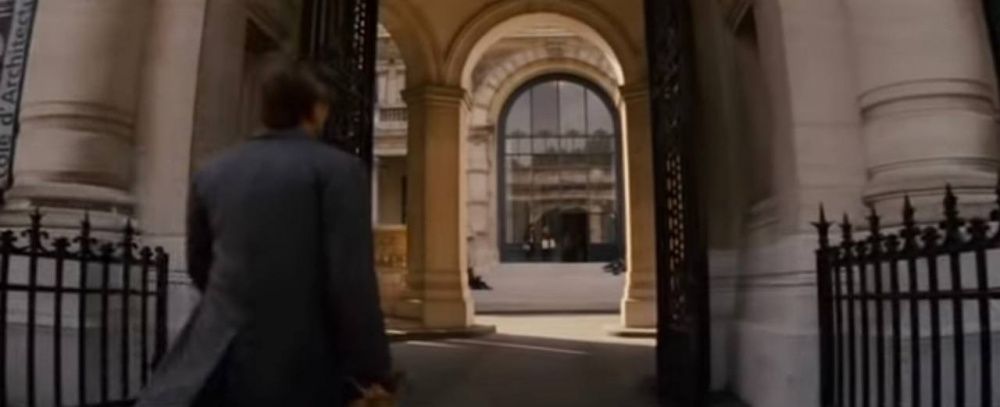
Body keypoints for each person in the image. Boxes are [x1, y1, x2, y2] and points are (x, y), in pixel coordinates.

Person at [135, 57, 392, 406]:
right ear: (316, 109)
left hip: (217, 357)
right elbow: (351, 280)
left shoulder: (213, 172)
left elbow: (200, 263)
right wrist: (373, 370)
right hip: (303, 365)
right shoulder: (339, 170)